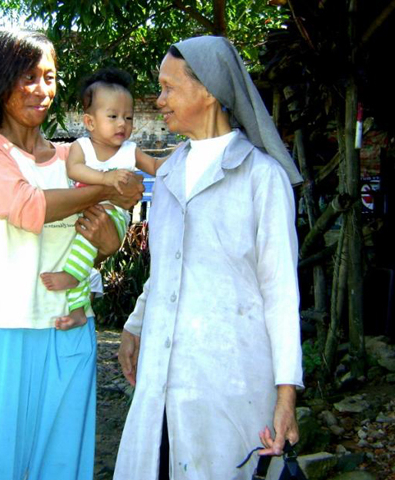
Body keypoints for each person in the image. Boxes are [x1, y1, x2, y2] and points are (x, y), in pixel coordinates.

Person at [114, 36, 304, 480]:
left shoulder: (262, 178)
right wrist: (134, 325)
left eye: (168, 88)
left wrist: (286, 395)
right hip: (161, 380)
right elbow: (166, 268)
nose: (158, 101)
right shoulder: (169, 174)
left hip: (230, 380)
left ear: (210, 91)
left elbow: (281, 294)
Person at [0, 31, 143, 480]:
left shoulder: (71, 158)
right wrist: (107, 187)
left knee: (64, 469)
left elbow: (107, 234)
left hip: (70, 328)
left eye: (49, 77)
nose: (41, 89)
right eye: (27, 77)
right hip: (2, 329)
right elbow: (26, 208)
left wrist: (107, 241)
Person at [40, 68, 164, 328]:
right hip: (84, 213)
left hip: (115, 216)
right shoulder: (81, 147)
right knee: (75, 251)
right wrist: (107, 179)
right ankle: (77, 309)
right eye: (113, 116)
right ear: (90, 122)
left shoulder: (130, 151)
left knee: (82, 248)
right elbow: (74, 169)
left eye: (128, 117)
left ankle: (72, 278)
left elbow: (155, 166)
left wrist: (185, 153)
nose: (123, 123)